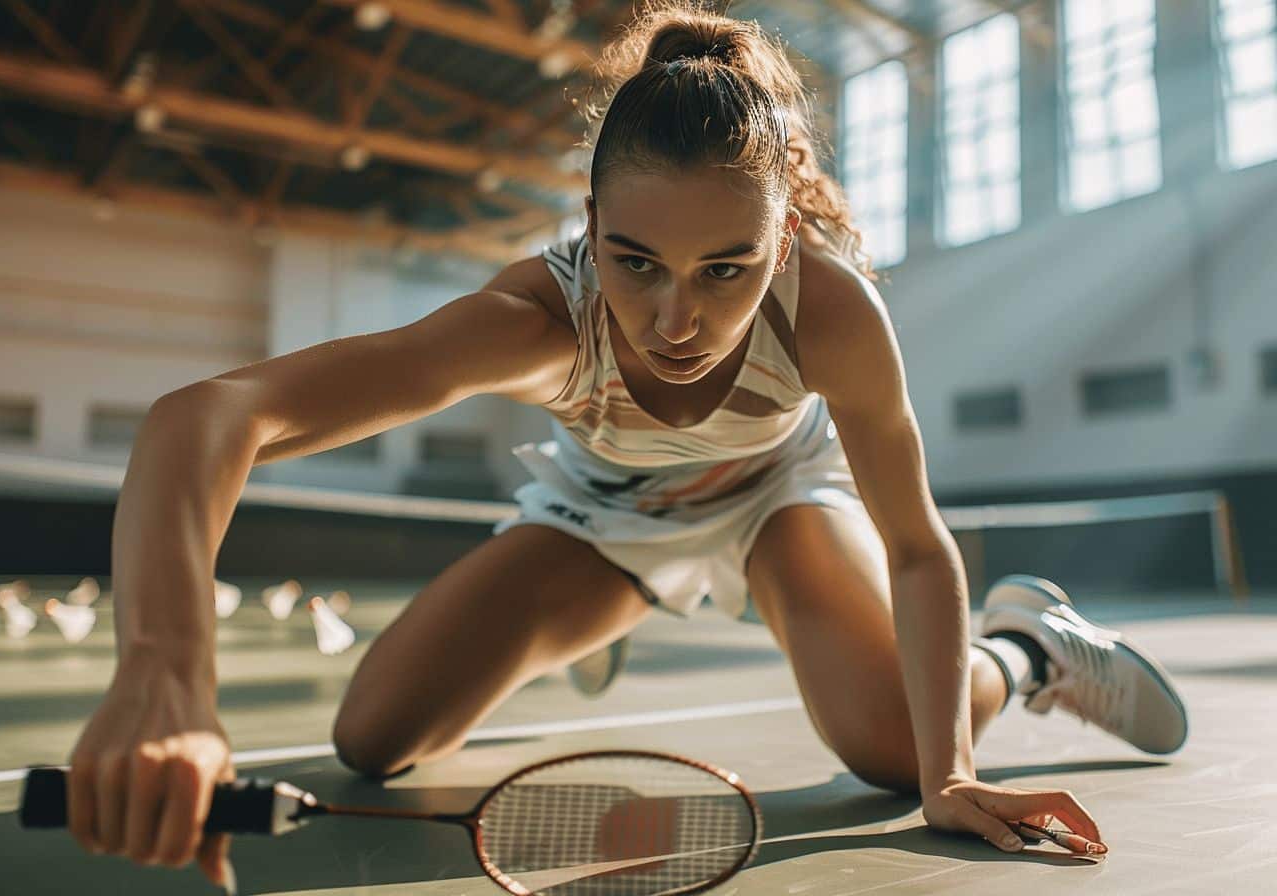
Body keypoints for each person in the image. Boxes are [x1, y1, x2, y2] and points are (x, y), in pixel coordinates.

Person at [63, 2, 1187, 891]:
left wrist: (950, 772)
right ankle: (587, 620)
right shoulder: (539, 322)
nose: (676, 322)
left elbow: (918, 547)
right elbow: (205, 418)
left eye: (726, 269)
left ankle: (1032, 648)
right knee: (374, 740)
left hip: (775, 504)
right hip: (603, 519)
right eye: (637, 261)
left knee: (893, 752)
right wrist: (163, 669)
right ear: (590, 225)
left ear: (783, 235)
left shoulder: (832, 311)